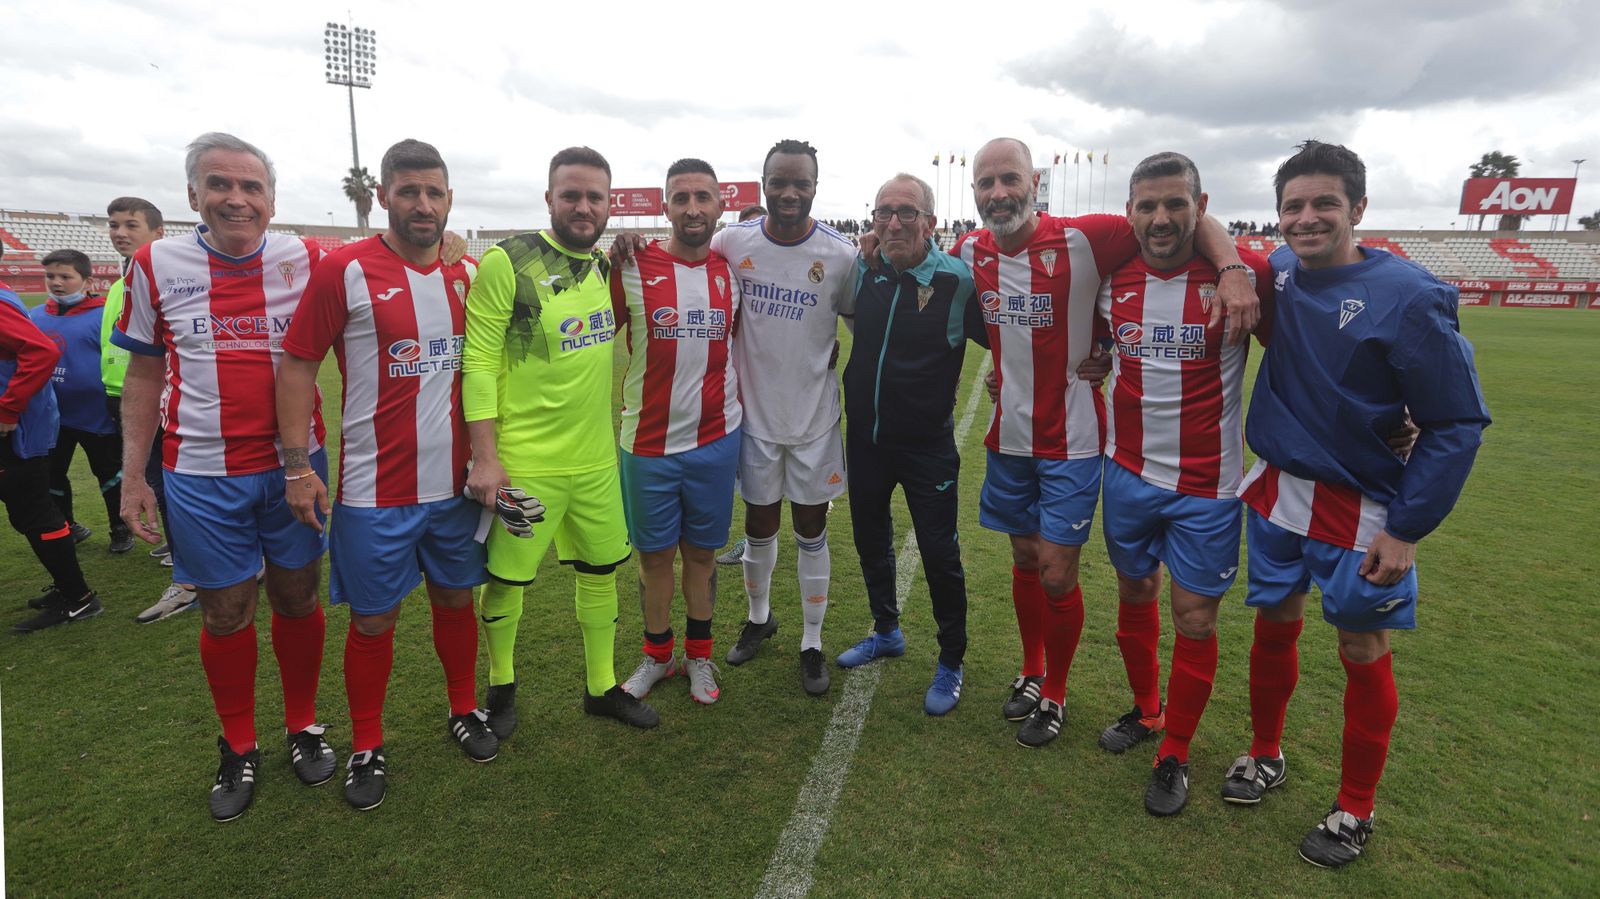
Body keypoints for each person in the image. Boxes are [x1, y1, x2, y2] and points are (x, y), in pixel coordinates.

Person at [1228, 140, 1488, 868]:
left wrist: (1406, 529)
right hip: (1278, 490)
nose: (1306, 218)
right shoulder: (1278, 271)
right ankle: (1265, 754)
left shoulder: (1409, 294)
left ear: (1359, 208)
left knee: (1361, 650)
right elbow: (1209, 233)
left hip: (1362, 507)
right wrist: (1230, 268)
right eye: (1292, 206)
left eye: (1325, 203)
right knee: (1273, 628)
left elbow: (1456, 422)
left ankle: (1355, 808)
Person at [955, 137, 1259, 748]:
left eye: (1010, 179)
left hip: (1075, 441)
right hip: (1008, 438)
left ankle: (1057, 692)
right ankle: (1032, 671)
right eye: (986, 183)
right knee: (1025, 561)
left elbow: (1179, 219)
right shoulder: (969, 250)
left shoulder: (1088, 237)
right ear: (975, 193)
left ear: (1035, 183)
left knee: (1057, 573)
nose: (999, 193)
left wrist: (1229, 267)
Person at [115, 132, 336, 822]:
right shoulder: (153, 264)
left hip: (296, 467)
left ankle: (302, 723)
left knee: (297, 597)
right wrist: (133, 476)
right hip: (201, 474)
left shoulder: (309, 258)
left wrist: (449, 245)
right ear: (193, 196)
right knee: (226, 611)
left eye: (251, 187)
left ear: (272, 200)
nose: (236, 199)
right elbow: (144, 372)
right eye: (220, 184)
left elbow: (389, 264)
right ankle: (238, 743)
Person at [277, 138, 497, 811]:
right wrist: (296, 464)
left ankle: (463, 707)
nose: (422, 204)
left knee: (456, 602)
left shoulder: (471, 274)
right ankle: (367, 743)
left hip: (456, 488)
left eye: (434, 192)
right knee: (373, 623)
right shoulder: (344, 269)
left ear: (450, 199)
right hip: (375, 493)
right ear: (383, 197)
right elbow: (298, 364)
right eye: (408, 191)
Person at [1088, 152, 1273, 814]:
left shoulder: (1244, 278)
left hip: (1207, 486)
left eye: (1176, 203)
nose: (1161, 218)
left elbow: (1309, 352)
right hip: (1127, 473)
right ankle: (1147, 710)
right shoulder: (1110, 277)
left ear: (1201, 205)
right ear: (1130, 211)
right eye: (1147, 205)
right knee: (1135, 591)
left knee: (1194, 618)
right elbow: (1083, 342)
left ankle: (1176, 752)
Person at [463, 146, 658, 739]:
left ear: (609, 204)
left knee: (601, 572)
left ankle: (601, 689)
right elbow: (478, 362)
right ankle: (501, 686)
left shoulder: (602, 267)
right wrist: (487, 457)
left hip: (595, 462)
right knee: (507, 581)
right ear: (549, 198)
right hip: (526, 463)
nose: (583, 206)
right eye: (571, 195)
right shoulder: (508, 261)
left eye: (595, 197)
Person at [708, 140, 856, 695]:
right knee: (759, 524)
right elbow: (683, 261)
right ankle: (759, 618)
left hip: (815, 419)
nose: (790, 192)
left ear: (816, 187)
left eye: (801, 183)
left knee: (811, 528)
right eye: (779, 182)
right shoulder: (731, 242)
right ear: (763, 184)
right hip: (753, 418)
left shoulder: (841, 255)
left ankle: (811, 642)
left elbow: (863, 325)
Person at [835, 173, 985, 715]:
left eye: (906, 212)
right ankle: (886, 631)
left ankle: (951, 660)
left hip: (927, 447)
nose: (893, 222)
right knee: (870, 539)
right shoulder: (865, 267)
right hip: (867, 440)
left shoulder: (957, 281)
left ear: (930, 222)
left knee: (940, 555)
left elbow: (1011, 337)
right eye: (884, 212)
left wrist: (1094, 352)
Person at [610, 158, 741, 706]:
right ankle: (658, 655)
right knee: (655, 558)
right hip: (647, 444)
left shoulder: (734, 271)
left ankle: (699, 656)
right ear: (665, 206)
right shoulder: (629, 267)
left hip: (717, 438)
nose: (692, 208)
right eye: (681, 198)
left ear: (720, 205)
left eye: (702, 197)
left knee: (703, 556)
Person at [102, 197, 198, 623]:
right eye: (114, 225)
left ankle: (189, 575)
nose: (120, 233)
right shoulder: (121, 284)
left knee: (170, 485)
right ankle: (186, 561)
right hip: (126, 399)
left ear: (159, 233)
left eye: (131, 225)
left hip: (168, 403)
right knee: (155, 482)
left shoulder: (167, 274)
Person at [3, 247, 101, 633]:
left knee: (34, 512)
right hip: (25, 425)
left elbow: (41, 351)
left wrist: (8, 409)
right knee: (30, 509)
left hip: (19, 430)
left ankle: (78, 598)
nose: (57, 284)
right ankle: (70, 591)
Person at [30, 249, 130, 552]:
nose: (56, 283)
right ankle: (67, 525)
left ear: (87, 281)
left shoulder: (103, 315)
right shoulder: (35, 316)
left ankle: (120, 528)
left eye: (66, 276)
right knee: (52, 473)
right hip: (51, 417)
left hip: (96, 416)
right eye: (50, 276)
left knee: (109, 474)